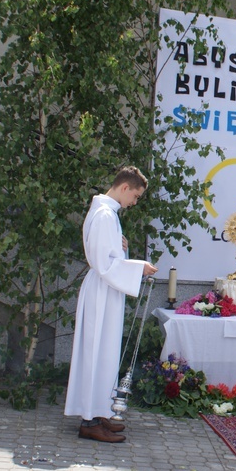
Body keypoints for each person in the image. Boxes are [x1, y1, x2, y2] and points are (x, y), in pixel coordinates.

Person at [64, 166, 158, 443]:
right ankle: (89, 420)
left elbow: (109, 255)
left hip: (106, 290)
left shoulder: (107, 213)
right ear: (125, 187)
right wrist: (138, 267)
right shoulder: (105, 215)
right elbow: (105, 265)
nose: (135, 202)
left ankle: (100, 410)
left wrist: (124, 249)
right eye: (136, 196)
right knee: (96, 352)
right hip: (102, 290)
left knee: (104, 352)